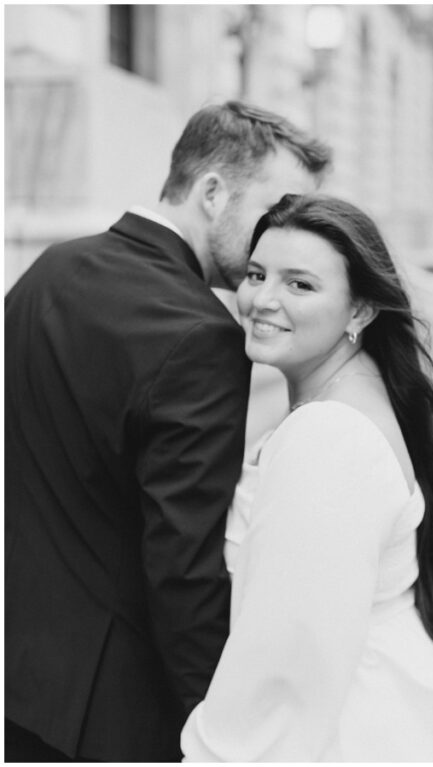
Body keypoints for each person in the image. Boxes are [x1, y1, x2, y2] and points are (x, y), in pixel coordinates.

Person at [5, 102, 330, 761]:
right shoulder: (205, 338)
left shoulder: (46, 272)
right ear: (211, 192)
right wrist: (218, 732)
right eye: (275, 212)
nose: (283, 236)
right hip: (106, 717)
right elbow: (185, 570)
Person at [179, 194, 433, 761]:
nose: (263, 299)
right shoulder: (354, 392)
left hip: (348, 730)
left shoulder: (329, 439)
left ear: (360, 312)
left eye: (300, 284)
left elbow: (287, 671)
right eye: (256, 274)